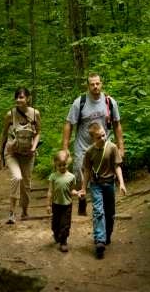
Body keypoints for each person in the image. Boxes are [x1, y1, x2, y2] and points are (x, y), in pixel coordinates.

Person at [62, 73, 124, 215]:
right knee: (79, 172)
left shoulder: (109, 102)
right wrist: (65, 148)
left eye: (97, 83)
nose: (95, 86)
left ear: (101, 84)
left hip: (103, 145)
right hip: (83, 146)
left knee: (104, 175)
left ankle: (100, 205)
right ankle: (82, 198)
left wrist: (121, 147)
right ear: (88, 86)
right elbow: (68, 124)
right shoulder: (80, 102)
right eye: (92, 84)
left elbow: (117, 124)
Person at [80, 122, 126, 259]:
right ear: (93, 138)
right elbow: (87, 170)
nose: (103, 138)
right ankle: (100, 240)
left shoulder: (112, 148)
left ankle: (107, 234)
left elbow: (117, 166)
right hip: (96, 185)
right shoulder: (89, 152)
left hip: (109, 184)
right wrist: (83, 188)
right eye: (99, 137)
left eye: (104, 135)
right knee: (98, 210)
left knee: (110, 212)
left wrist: (121, 183)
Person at [0, 87, 41, 224]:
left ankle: (25, 211)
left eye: (21, 97)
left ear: (28, 98)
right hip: (11, 153)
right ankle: (11, 213)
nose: (18, 100)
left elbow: (38, 132)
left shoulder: (35, 114)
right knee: (17, 177)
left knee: (26, 184)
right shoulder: (10, 115)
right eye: (17, 97)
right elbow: (3, 134)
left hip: (28, 154)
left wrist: (33, 147)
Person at [47, 149, 80, 252]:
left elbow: (71, 190)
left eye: (64, 165)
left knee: (65, 224)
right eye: (59, 165)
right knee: (55, 224)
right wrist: (48, 205)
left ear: (68, 163)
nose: (62, 167)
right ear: (56, 164)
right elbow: (50, 191)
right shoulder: (53, 176)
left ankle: (63, 241)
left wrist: (76, 193)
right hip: (56, 204)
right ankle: (56, 234)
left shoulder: (71, 177)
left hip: (67, 204)